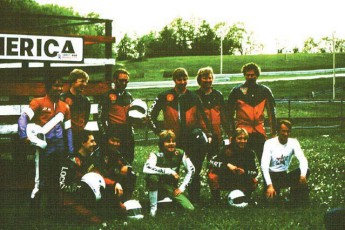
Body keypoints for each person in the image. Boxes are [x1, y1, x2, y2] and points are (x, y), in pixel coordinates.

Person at [147, 67, 212, 203]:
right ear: (174, 80)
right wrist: (160, 133)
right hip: (171, 139)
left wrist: (209, 134)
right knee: (169, 170)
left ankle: (194, 198)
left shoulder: (194, 97)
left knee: (193, 168)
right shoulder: (164, 96)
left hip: (191, 139)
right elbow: (150, 116)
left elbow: (204, 117)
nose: (182, 82)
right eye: (179, 79)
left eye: (185, 79)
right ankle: (167, 197)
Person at [18, 75, 73, 217]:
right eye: (56, 85)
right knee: (40, 180)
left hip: (59, 148)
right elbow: (23, 118)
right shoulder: (37, 102)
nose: (59, 88)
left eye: (61, 85)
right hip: (43, 147)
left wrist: (71, 150)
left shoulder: (65, 106)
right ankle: (34, 211)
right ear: (48, 87)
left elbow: (68, 129)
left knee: (57, 179)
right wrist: (24, 135)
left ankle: (53, 210)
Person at [227, 62, 277, 163]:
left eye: (252, 75)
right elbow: (229, 114)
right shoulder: (236, 91)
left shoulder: (265, 91)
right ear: (244, 75)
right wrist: (231, 133)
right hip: (242, 131)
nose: (250, 77)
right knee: (241, 161)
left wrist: (273, 133)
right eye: (247, 75)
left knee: (265, 161)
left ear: (257, 75)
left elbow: (272, 113)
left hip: (259, 130)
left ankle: (267, 178)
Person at [143, 130, 195, 217]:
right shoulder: (155, 154)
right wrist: (169, 171)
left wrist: (181, 188)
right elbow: (146, 168)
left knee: (190, 208)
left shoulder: (180, 153)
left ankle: (167, 200)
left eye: (173, 141)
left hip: (170, 186)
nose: (171, 144)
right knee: (153, 178)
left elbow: (192, 170)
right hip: (157, 184)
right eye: (168, 141)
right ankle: (153, 209)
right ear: (162, 143)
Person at [261, 119, 310, 205]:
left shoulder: (294, 142)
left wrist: (302, 175)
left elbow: (303, 159)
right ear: (278, 131)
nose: (286, 134)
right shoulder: (269, 143)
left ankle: (294, 195)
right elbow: (264, 167)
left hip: (283, 175)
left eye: (288, 131)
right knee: (270, 203)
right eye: (283, 131)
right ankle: (271, 190)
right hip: (272, 176)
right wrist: (269, 185)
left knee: (306, 171)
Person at [208, 128, 258, 204]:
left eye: (245, 139)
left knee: (254, 181)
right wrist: (227, 165)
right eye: (240, 138)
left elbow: (255, 172)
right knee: (212, 176)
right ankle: (216, 200)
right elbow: (212, 162)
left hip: (241, 178)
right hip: (226, 178)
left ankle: (245, 198)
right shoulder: (225, 149)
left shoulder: (249, 153)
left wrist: (245, 171)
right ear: (234, 139)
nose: (243, 141)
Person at [98, 68, 135, 164]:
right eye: (121, 80)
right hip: (114, 131)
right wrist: (106, 135)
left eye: (126, 81)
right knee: (113, 159)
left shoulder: (129, 96)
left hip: (127, 132)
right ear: (115, 80)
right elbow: (100, 119)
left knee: (128, 158)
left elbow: (133, 115)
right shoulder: (107, 96)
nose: (124, 83)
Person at [195, 67, 230, 159]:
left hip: (216, 134)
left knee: (215, 160)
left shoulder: (218, 95)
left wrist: (229, 133)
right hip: (201, 134)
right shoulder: (195, 96)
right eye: (205, 78)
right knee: (198, 160)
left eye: (210, 78)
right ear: (199, 79)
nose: (208, 80)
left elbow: (224, 117)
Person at [60, 69, 91, 150]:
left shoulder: (86, 101)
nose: (84, 84)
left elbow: (86, 119)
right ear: (73, 82)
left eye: (86, 82)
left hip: (79, 136)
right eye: (82, 81)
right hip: (64, 136)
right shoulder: (62, 98)